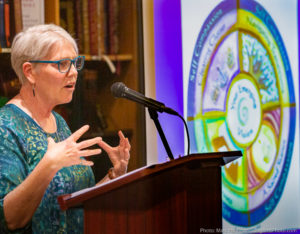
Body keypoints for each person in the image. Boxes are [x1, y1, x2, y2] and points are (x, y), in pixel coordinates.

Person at [0, 24, 131, 233]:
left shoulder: (58, 121)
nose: (74, 73)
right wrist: (48, 165)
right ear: (29, 72)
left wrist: (114, 175)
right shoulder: (6, 127)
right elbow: (9, 219)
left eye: (74, 63)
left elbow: (74, 201)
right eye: (62, 64)